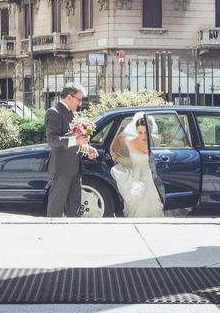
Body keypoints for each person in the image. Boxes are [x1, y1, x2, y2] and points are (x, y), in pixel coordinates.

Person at [45, 83, 98, 217]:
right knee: (55, 208)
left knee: (74, 209)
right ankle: (51, 235)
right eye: (79, 99)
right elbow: (52, 140)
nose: (80, 103)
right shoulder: (54, 112)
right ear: (69, 97)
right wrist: (76, 141)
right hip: (61, 169)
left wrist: (87, 148)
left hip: (75, 168)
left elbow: (76, 140)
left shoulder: (72, 113)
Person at [110, 112, 165, 217]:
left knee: (153, 197)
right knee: (140, 197)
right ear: (136, 131)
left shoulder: (156, 140)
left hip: (152, 177)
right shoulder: (128, 140)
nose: (143, 136)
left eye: (146, 132)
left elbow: (171, 140)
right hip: (136, 177)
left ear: (150, 131)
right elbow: (117, 141)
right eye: (140, 132)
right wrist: (115, 155)